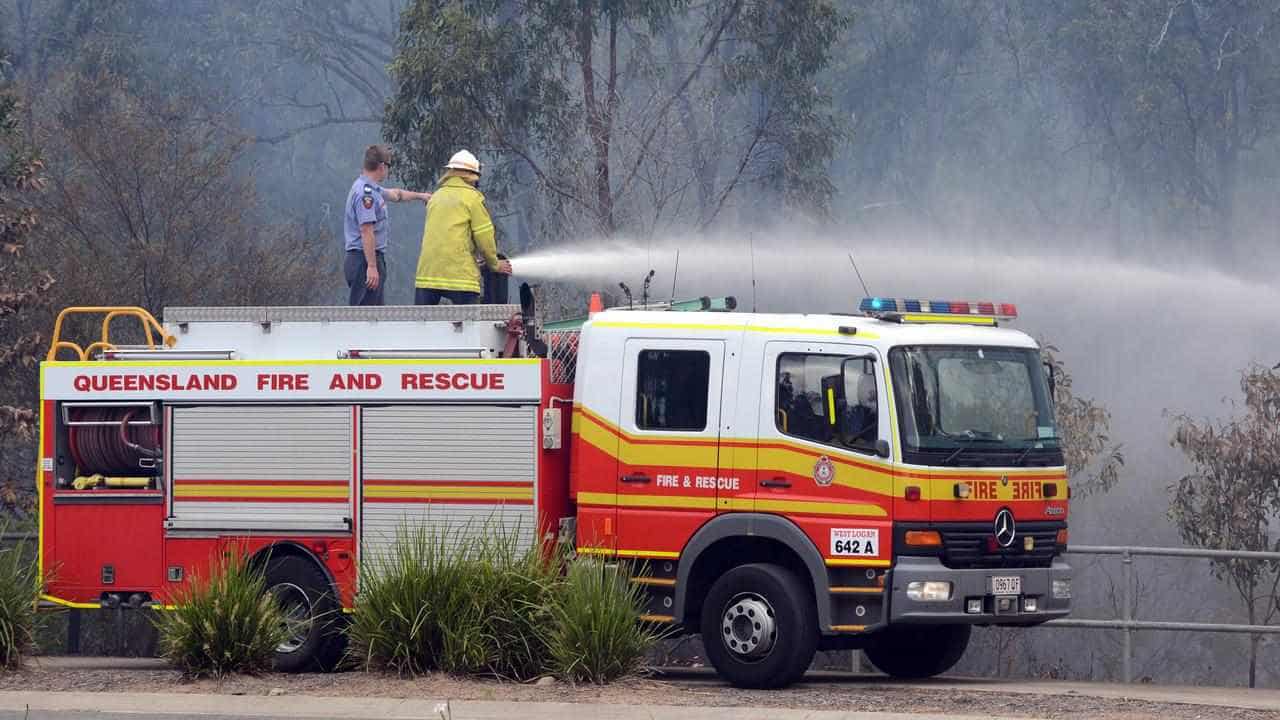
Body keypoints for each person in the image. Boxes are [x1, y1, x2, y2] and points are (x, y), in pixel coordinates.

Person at [414, 150, 512, 305]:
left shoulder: (436, 197)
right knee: (469, 327)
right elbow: (484, 240)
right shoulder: (473, 199)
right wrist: (495, 264)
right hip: (460, 277)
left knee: (422, 326)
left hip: (427, 276)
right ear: (473, 176)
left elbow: (445, 235)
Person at [343, 144, 432, 306]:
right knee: (365, 319)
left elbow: (396, 195)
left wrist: (421, 196)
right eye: (389, 166)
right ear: (382, 166)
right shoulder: (365, 194)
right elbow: (366, 230)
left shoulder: (372, 189)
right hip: (363, 260)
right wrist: (371, 266)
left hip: (366, 259)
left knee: (375, 318)